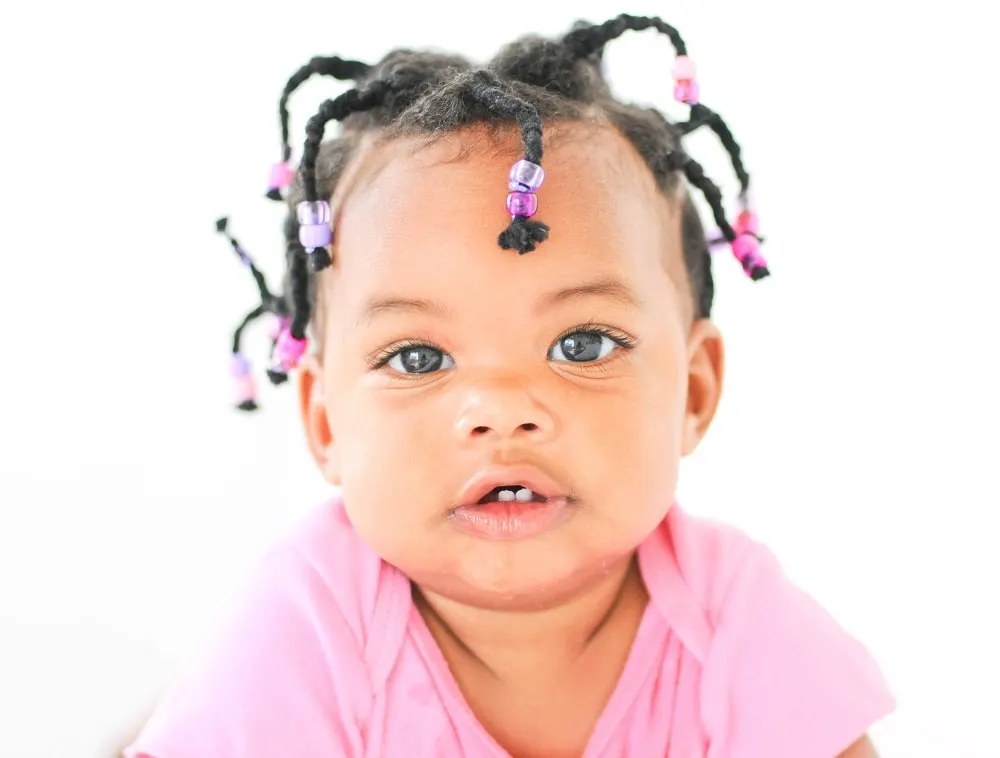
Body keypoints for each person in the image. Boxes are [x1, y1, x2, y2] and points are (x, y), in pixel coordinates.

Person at [124, 14, 894, 757]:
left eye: (581, 343)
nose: (500, 409)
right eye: (418, 358)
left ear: (693, 392)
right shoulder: (308, 632)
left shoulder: (735, 622)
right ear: (326, 426)